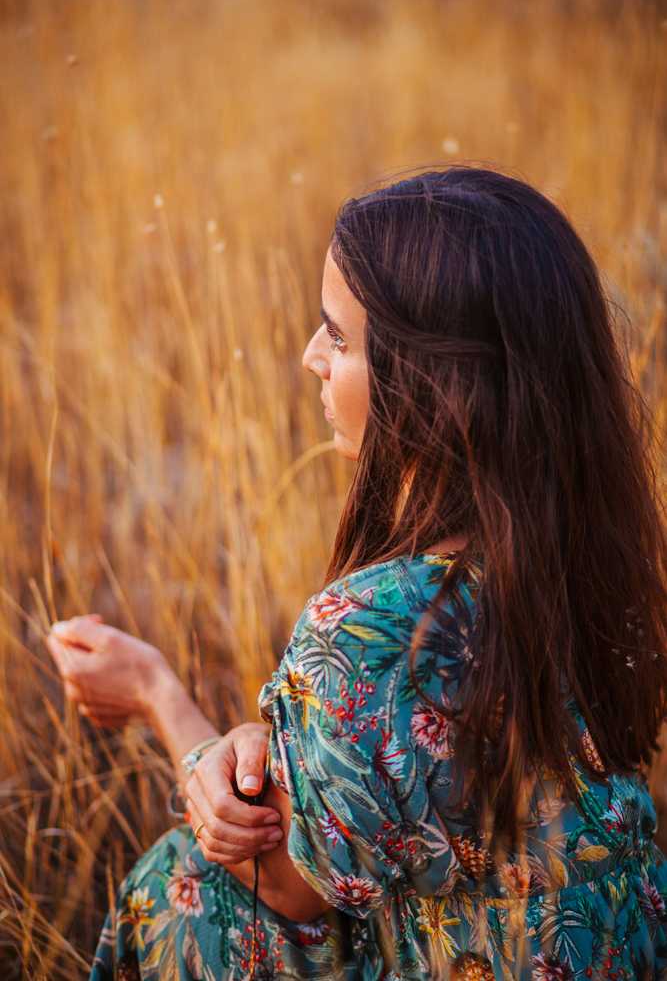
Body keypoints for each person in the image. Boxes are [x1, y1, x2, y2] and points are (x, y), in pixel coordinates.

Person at [47, 168, 667, 981]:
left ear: (438, 386)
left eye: (338, 339)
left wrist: (159, 698)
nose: (310, 357)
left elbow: (289, 888)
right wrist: (269, 748)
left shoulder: (375, 624)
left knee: (183, 885)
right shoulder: (593, 555)